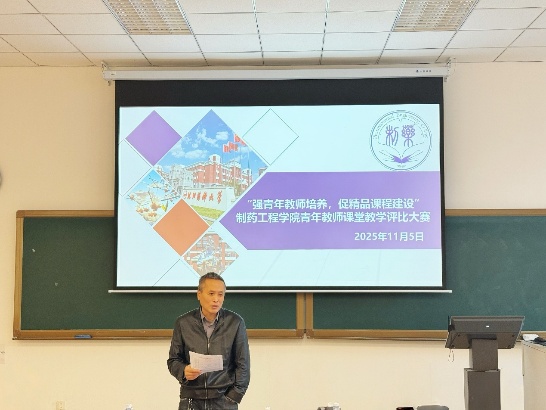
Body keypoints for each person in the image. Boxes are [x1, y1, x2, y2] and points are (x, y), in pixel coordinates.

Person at [167, 272, 250, 410]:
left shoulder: (235, 323)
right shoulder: (183, 323)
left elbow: (243, 365)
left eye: (220, 294)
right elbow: (173, 360)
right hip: (191, 399)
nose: (216, 299)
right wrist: (183, 370)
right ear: (199, 294)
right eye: (211, 294)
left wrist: (233, 396)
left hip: (223, 399)